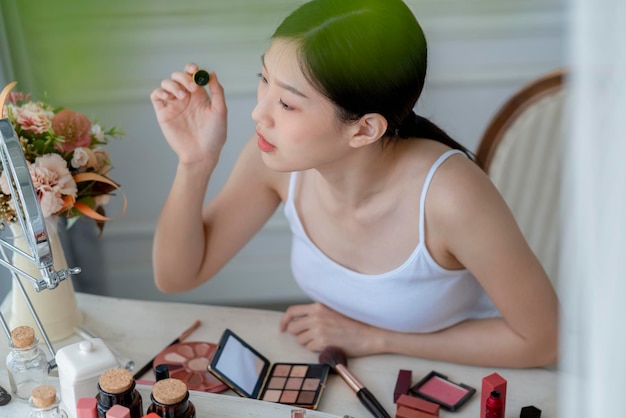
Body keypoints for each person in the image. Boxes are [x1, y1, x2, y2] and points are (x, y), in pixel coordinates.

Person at [150, 0, 559, 368]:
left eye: (287, 103)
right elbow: (177, 277)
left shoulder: (450, 197)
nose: (259, 112)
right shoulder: (273, 161)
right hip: (361, 373)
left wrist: (376, 338)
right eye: (264, 79)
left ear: (364, 129)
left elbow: (542, 342)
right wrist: (195, 162)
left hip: (481, 379)